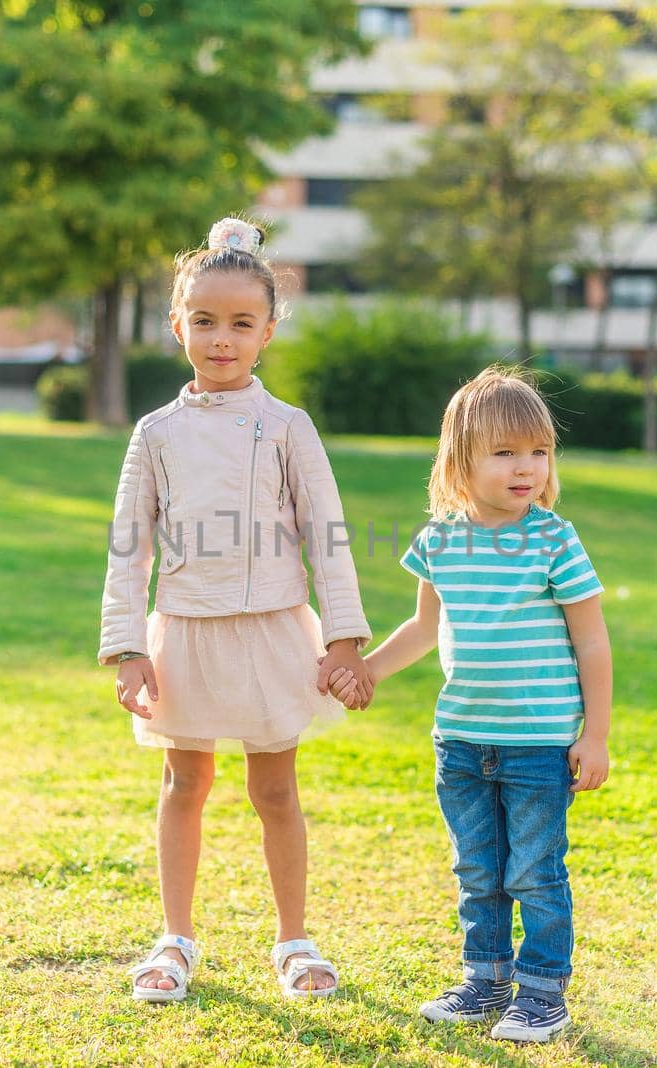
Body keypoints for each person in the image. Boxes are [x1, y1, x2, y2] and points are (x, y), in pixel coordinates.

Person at [99, 217, 376, 1004]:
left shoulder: (289, 427)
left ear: (268, 331)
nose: (222, 340)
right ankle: (175, 938)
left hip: (272, 634)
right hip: (184, 633)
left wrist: (345, 640)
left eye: (241, 324)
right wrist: (126, 648)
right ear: (178, 324)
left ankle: (293, 938)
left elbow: (328, 537)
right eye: (206, 322)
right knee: (183, 784)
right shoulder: (155, 433)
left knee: (275, 791)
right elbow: (130, 549)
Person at [329, 366, 612, 1042]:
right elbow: (425, 630)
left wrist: (594, 735)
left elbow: (593, 643)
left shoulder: (553, 540)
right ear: (462, 459)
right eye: (506, 453)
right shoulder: (440, 542)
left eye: (539, 452)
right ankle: (485, 983)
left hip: (539, 742)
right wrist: (367, 669)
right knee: (478, 869)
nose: (527, 468)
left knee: (535, 872)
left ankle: (542, 994)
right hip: (460, 741)